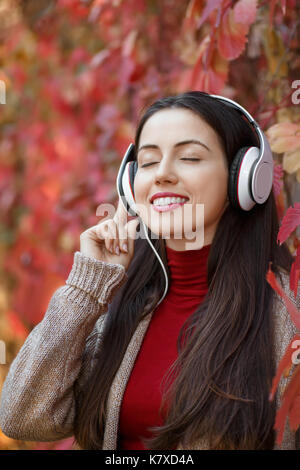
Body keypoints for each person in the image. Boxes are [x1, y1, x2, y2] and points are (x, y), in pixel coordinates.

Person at [0, 91, 299, 450]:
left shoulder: (287, 313)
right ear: (129, 184)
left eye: (189, 157)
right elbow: (23, 416)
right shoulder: (119, 301)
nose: (162, 176)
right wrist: (86, 289)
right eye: (148, 161)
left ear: (247, 178)